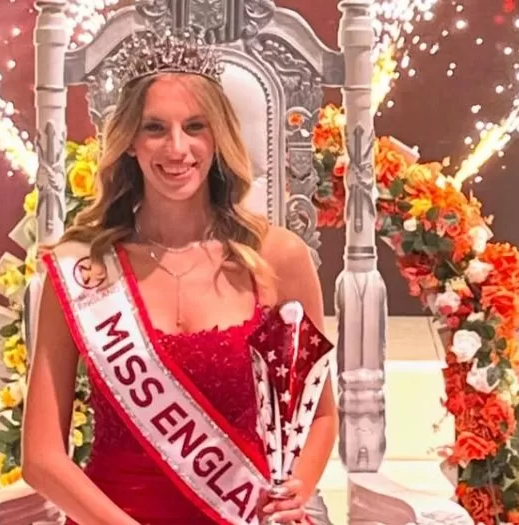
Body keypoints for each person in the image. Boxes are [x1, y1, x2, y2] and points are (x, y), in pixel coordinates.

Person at [22, 27, 338, 525]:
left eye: (195, 126)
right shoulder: (84, 267)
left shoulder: (277, 258)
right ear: (129, 141)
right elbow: (41, 459)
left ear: (219, 137)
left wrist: (295, 489)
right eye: (154, 128)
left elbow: (319, 415)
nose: (177, 148)